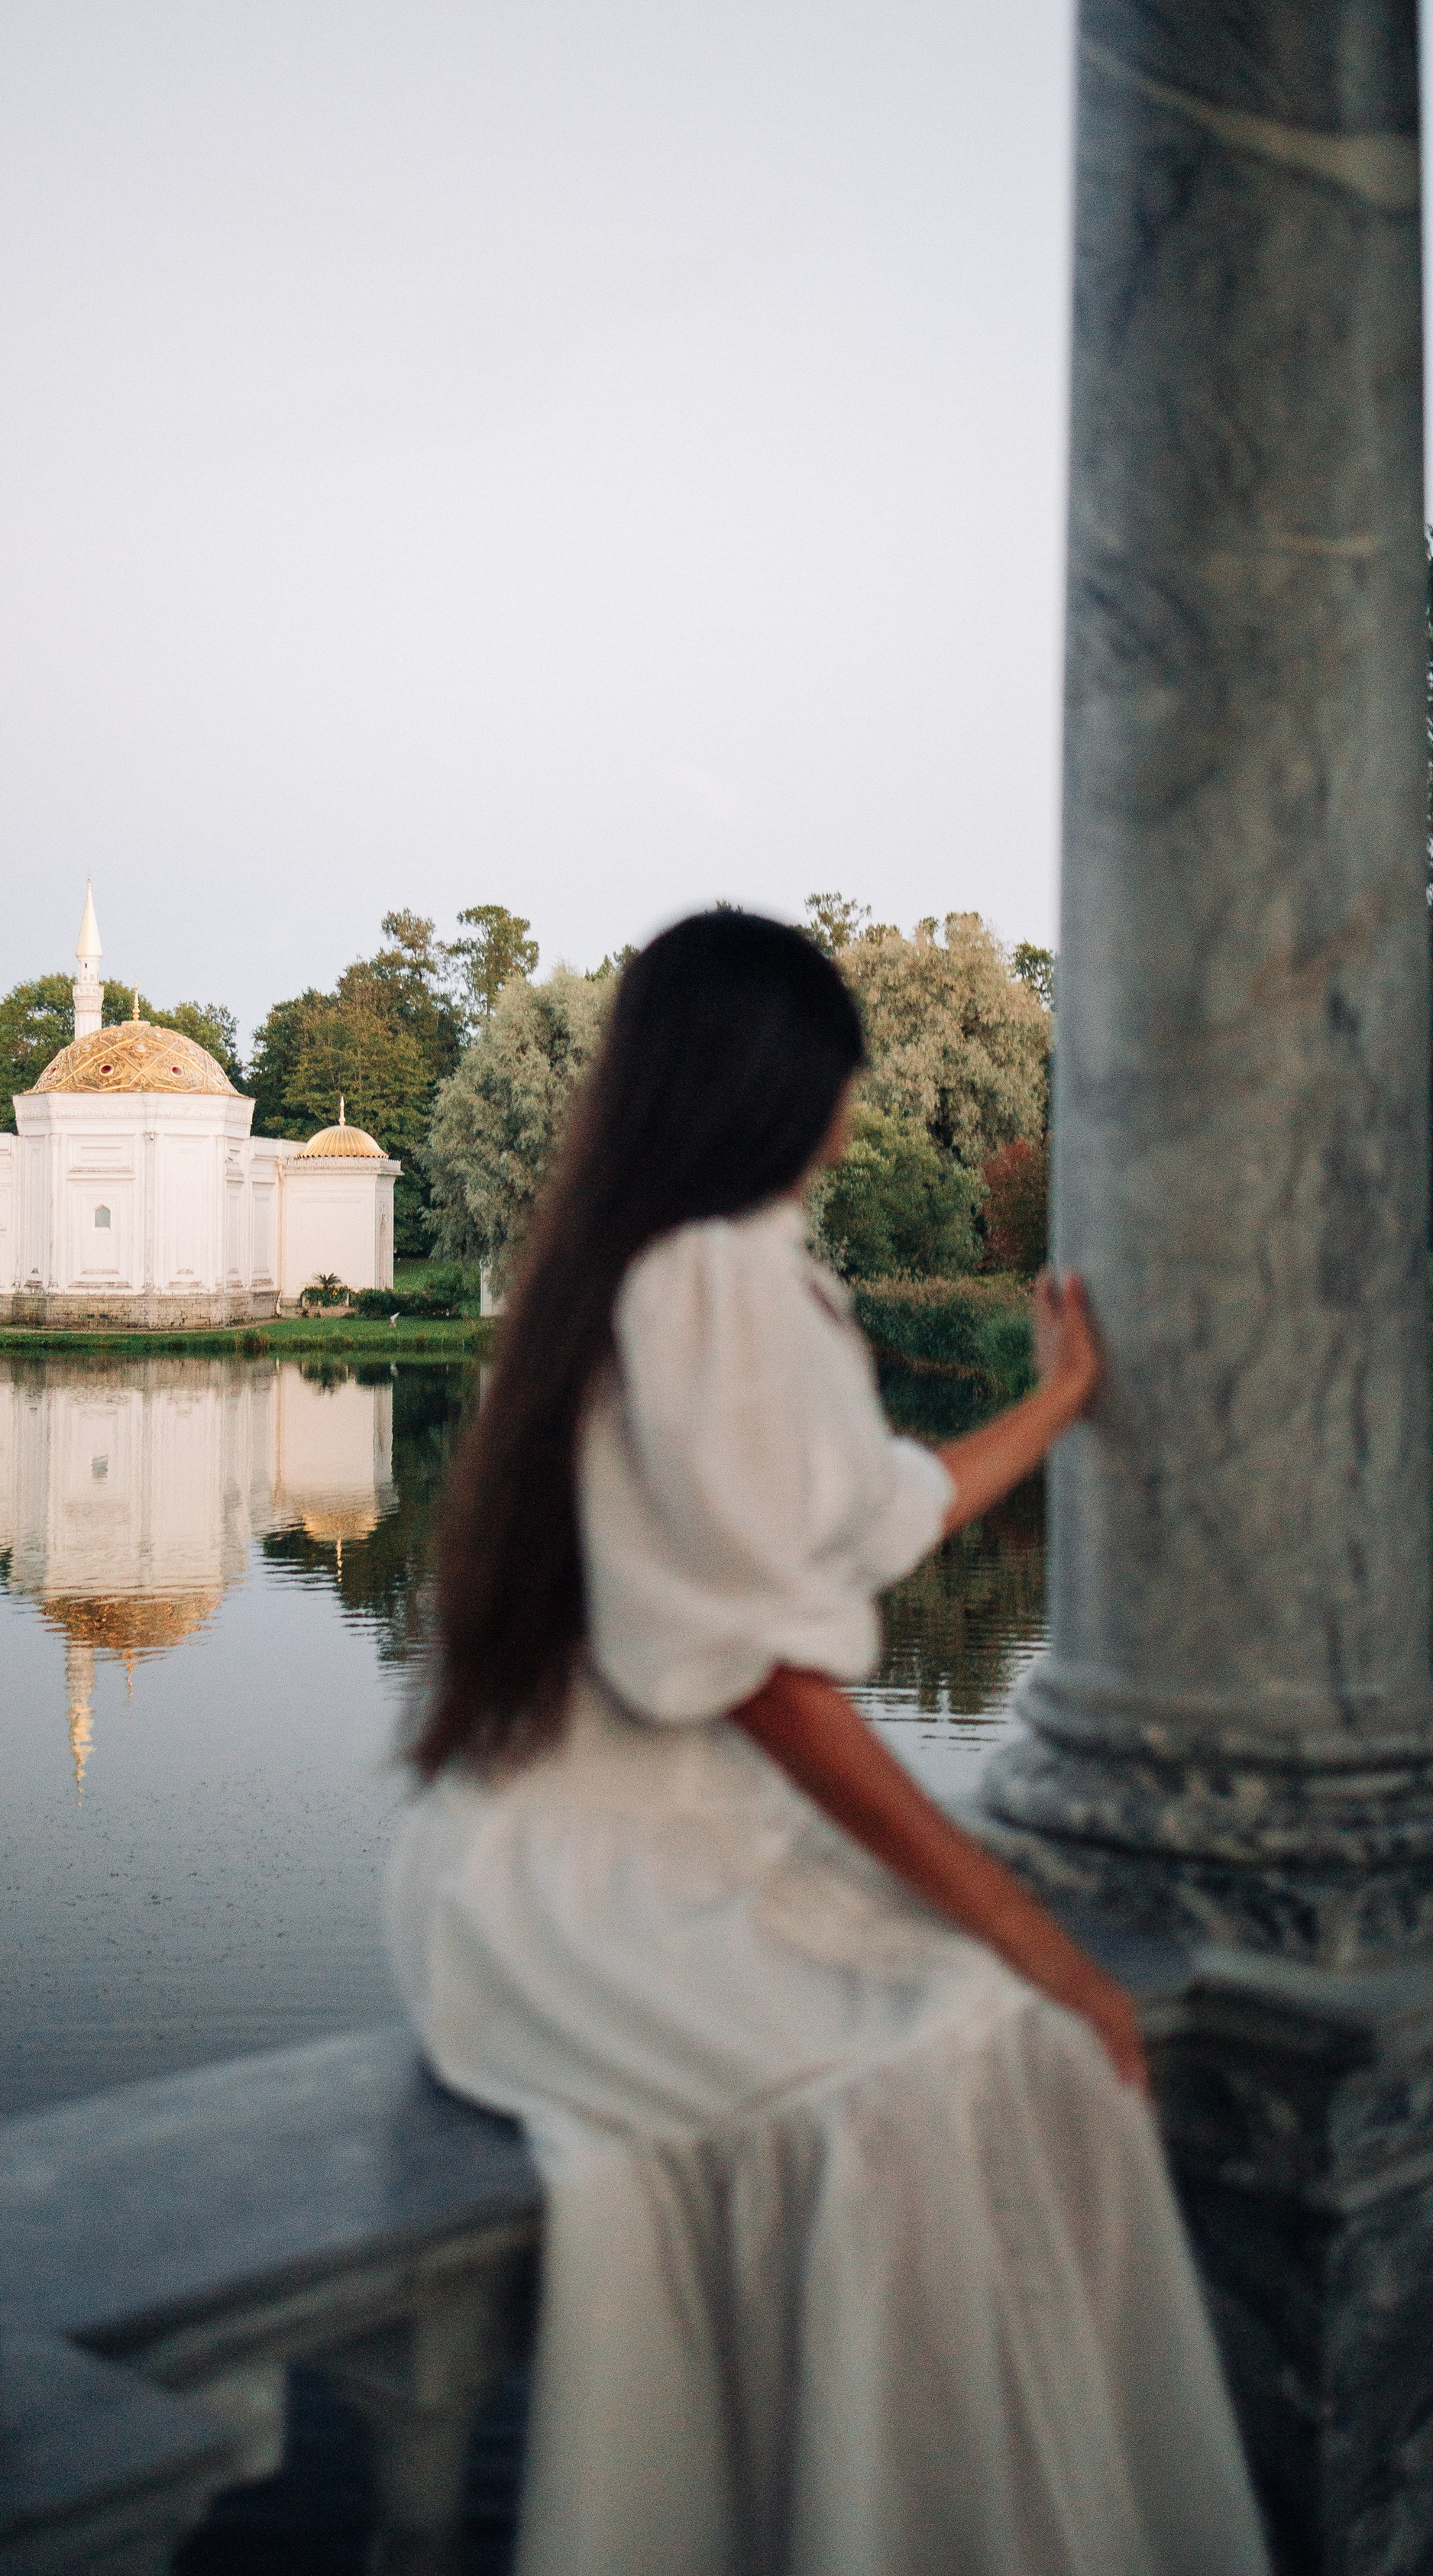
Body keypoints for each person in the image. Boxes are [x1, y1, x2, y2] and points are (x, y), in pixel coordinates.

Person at [387, 910, 1267, 2576]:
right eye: (844, 1077)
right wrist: (1027, 1932)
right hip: (603, 1887)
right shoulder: (713, 1276)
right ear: (785, 1087)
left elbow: (877, 1515)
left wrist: (1058, 1400)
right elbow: (764, 1681)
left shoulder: (632, 1272)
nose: (856, 1113)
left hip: (513, 1881)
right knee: (966, 2058)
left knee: (970, 2059)